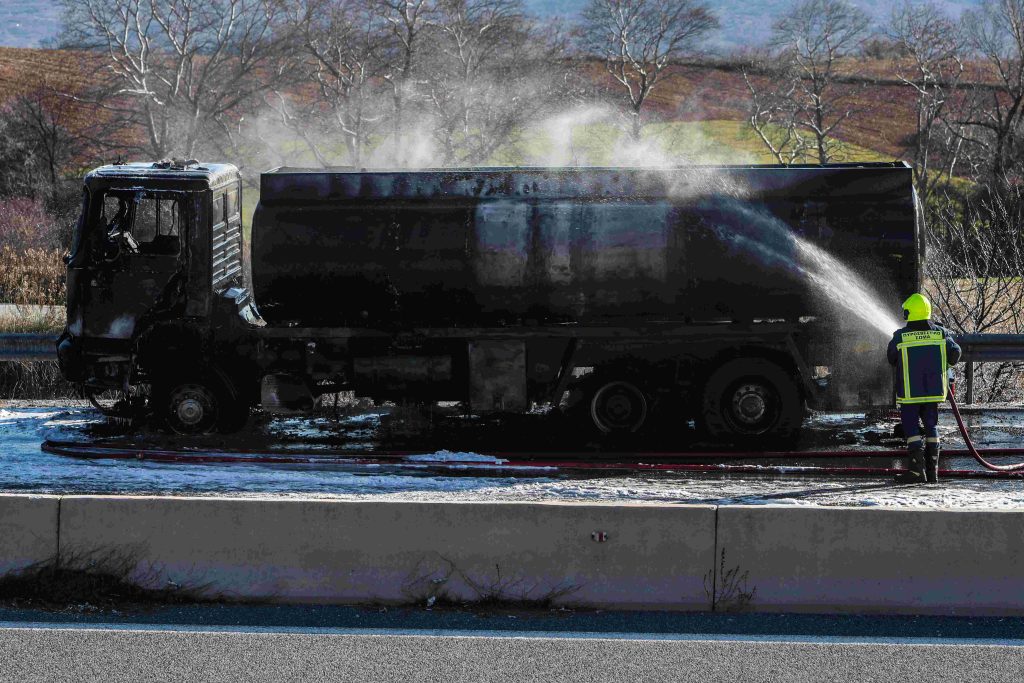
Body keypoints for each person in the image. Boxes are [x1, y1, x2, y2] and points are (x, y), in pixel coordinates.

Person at [887, 293, 961, 484]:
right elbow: (955, 353)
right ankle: (932, 473)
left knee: (911, 428)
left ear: (909, 313)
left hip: (911, 394)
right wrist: (943, 363)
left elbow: (891, 358)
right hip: (933, 393)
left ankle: (916, 472)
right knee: (931, 426)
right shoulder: (941, 333)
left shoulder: (900, 336)